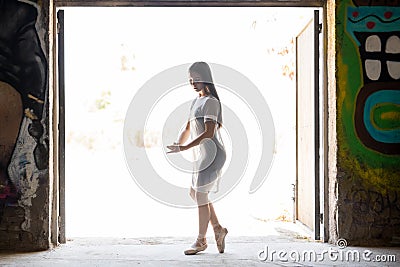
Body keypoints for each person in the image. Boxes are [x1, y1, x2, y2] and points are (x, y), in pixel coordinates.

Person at [167, 62, 228, 255]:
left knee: (200, 195)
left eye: (197, 79)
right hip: (203, 155)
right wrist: (179, 144)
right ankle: (218, 229)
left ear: (206, 78)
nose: (193, 83)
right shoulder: (197, 101)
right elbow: (188, 127)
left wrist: (186, 146)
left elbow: (209, 132)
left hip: (213, 155)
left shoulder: (211, 101)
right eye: (190, 80)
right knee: (195, 194)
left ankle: (201, 241)